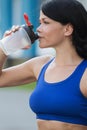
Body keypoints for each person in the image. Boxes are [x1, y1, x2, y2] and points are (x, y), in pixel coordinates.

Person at [0, 0, 87, 129]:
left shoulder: (84, 73)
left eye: (45, 23)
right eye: (40, 23)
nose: (39, 29)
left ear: (68, 29)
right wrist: (5, 46)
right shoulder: (40, 65)